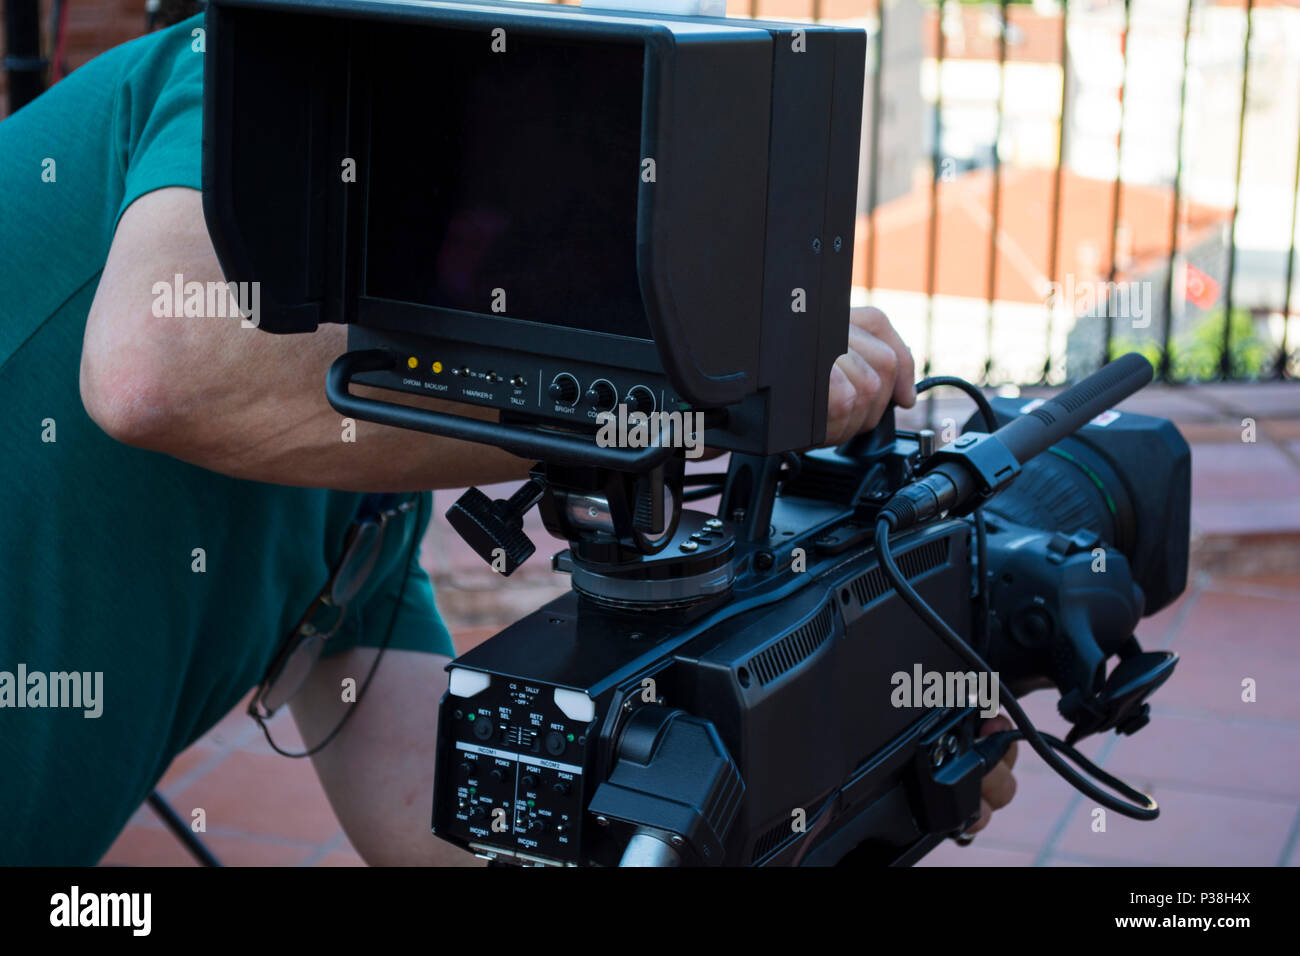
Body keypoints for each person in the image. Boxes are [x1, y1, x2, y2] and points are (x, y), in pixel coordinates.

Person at [0, 10, 1015, 865]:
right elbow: (154, 369)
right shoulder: (253, 69)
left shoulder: (365, 482)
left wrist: (858, 785)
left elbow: (432, 825)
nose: (513, 254)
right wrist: (717, 393)